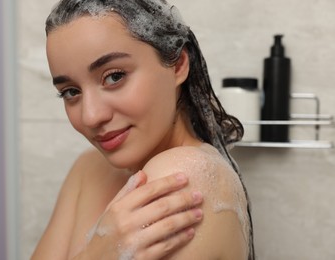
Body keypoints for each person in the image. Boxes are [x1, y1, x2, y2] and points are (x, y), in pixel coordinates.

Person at [32, 0, 255, 259]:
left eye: (114, 76)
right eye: (71, 92)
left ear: (178, 65)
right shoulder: (88, 168)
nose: (91, 116)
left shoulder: (183, 174)